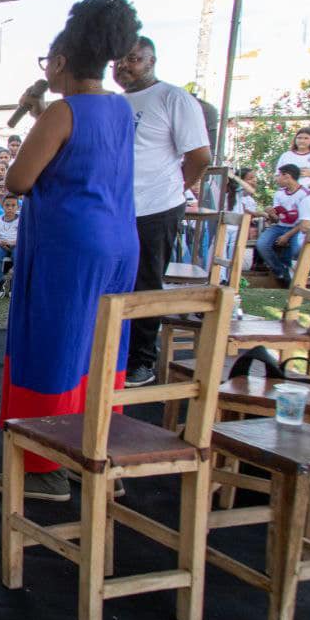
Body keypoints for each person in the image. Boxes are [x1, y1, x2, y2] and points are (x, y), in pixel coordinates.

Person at [0, 0, 142, 503]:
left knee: (53, 348)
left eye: (45, 62)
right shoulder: (119, 108)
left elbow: (20, 179)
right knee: (98, 350)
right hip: (118, 242)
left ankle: (43, 467)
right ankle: (92, 452)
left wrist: (40, 117)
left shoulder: (61, 111)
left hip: (70, 246)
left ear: (59, 62)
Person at [110, 35, 212, 387]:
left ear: (151, 61)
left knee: (145, 283)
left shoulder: (173, 97)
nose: (124, 66)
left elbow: (200, 157)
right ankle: (114, 353)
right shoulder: (115, 103)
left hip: (157, 208)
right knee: (114, 282)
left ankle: (142, 361)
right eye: (119, 61)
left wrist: (174, 189)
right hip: (116, 209)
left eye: (133, 59)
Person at [255, 163, 310, 285]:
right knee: (262, 244)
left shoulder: (305, 194)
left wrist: (287, 236)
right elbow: (276, 219)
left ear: (287, 176)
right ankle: (280, 271)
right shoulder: (279, 193)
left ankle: (292, 273)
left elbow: (304, 223)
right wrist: (271, 214)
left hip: (297, 229)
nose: (276, 178)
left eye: (278, 175)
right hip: (280, 226)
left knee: (296, 249)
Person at [0, 193, 20, 297]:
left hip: (16, 245)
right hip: (1, 246)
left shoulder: (22, 220)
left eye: (13, 205)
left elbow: (24, 239)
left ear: (18, 207)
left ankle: (13, 284)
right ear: (2, 206)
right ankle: (0, 280)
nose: (10, 208)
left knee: (18, 257)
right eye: (7, 205)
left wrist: (11, 243)